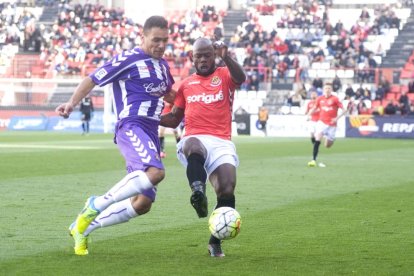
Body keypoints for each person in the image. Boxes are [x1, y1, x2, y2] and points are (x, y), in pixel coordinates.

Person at [55, 15, 175, 256]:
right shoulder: (129, 59)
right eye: (156, 40)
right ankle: (95, 204)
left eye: (165, 41)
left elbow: (170, 94)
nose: (161, 45)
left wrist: (193, 102)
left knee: (143, 204)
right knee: (156, 172)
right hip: (131, 126)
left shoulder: (163, 66)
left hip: (150, 131)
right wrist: (71, 103)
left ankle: (83, 228)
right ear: (143, 37)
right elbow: (92, 78)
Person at [160, 38, 246, 257]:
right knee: (192, 145)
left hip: (221, 141)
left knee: (227, 189)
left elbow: (241, 77)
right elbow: (173, 118)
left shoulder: (225, 74)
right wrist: (148, 119)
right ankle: (198, 192)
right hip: (195, 137)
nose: (203, 59)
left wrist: (226, 56)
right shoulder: (186, 85)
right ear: (192, 57)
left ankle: (214, 242)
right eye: (199, 56)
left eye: (208, 55)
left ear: (214, 55)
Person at [306, 83, 346, 167]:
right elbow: (314, 108)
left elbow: (344, 110)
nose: (327, 90)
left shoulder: (335, 99)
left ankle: (329, 138)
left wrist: (337, 118)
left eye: (329, 88)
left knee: (327, 145)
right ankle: (313, 160)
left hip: (332, 125)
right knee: (317, 137)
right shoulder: (320, 99)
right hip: (322, 122)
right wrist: (309, 115)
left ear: (331, 90)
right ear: (323, 90)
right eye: (326, 88)